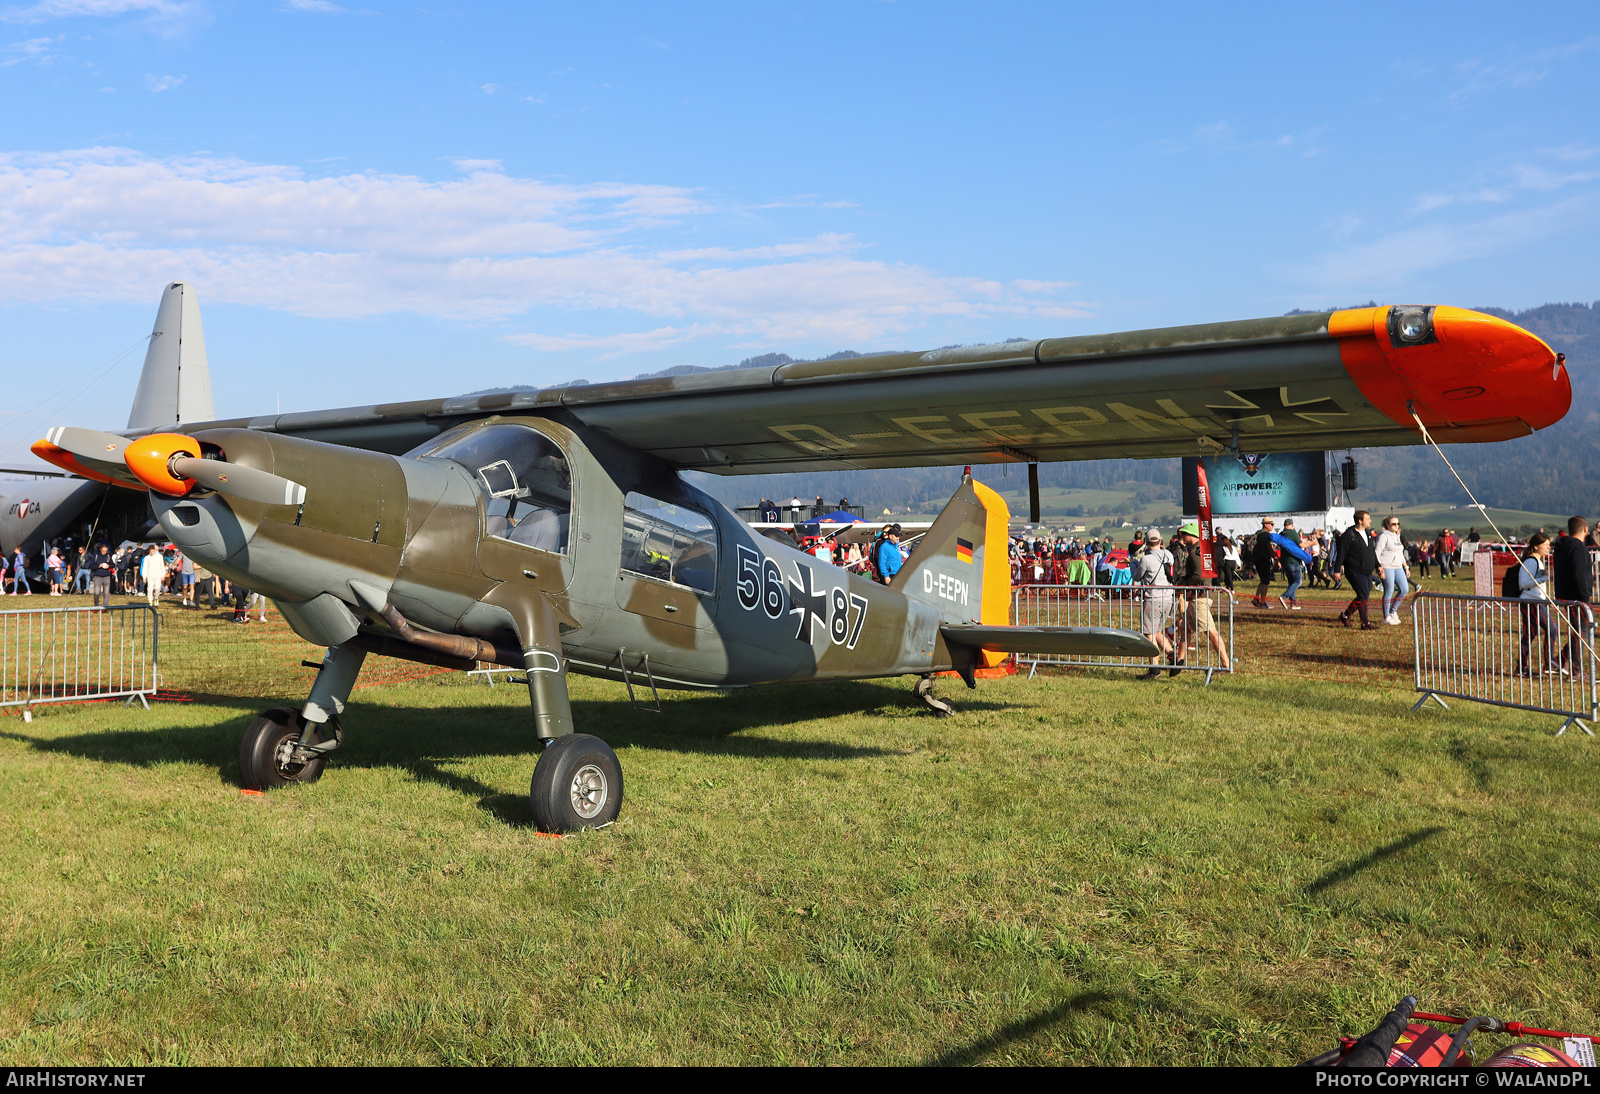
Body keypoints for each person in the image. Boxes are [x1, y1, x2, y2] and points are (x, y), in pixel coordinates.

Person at [1173, 521, 1230, 673]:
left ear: (1191, 535)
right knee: (1185, 628)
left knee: (1211, 632)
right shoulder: (1201, 550)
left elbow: (1198, 575)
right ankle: (1179, 661)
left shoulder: (1195, 552)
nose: (1182, 536)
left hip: (1199, 596)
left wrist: (1185, 584)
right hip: (1199, 595)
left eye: (1184, 534)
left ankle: (1226, 665)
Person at [1551, 516, 1594, 675]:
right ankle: (1576, 670)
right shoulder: (1578, 548)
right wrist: (1585, 596)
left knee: (1580, 630)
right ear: (1585, 530)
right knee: (1581, 631)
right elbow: (1579, 574)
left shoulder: (1562, 547)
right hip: (1577, 597)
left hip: (1565, 594)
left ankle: (1559, 660)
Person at [1513, 533, 1556, 676]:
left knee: (1530, 634)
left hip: (1536, 602)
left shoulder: (1537, 561)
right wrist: (1542, 578)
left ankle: (1522, 668)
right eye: (1546, 544)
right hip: (1530, 603)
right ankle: (1548, 664)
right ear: (1536, 546)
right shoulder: (1531, 562)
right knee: (1550, 629)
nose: (1549, 547)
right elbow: (1523, 584)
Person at [1135, 529, 1176, 679]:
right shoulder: (1169, 555)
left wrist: (1134, 564)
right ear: (1160, 541)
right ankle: (1172, 654)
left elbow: (1137, 576)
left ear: (1146, 543)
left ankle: (1154, 670)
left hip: (1153, 599)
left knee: (1149, 634)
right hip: (1168, 598)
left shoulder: (1146, 559)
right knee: (1158, 631)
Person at [1337, 511, 1379, 629]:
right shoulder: (1349, 534)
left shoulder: (1367, 533)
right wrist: (1337, 570)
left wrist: (1378, 566)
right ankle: (1365, 623)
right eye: (1368, 519)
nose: (1370, 521)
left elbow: (1371, 551)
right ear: (1360, 521)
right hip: (1354, 570)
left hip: (1367, 570)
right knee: (1363, 595)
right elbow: (1341, 553)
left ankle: (1345, 616)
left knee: (1363, 596)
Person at [1375, 516, 1412, 625]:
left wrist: (1406, 567)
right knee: (1389, 591)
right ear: (1387, 525)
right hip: (1387, 566)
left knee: (1404, 589)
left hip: (1398, 566)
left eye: (1398, 523)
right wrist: (1379, 567)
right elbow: (1377, 552)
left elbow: (1399, 553)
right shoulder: (1383, 536)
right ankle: (1386, 617)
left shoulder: (1396, 536)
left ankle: (1392, 611)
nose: (1396, 526)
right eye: (1393, 524)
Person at [1250, 517, 1278, 608]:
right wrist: (1276, 559)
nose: (1273, 526)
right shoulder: (1266, 536)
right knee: (1266, 582)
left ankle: (1256, 599)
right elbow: (1270, 549)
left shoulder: (1258, 534)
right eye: (1272, 524)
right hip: (1263, 560)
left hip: (1257, 559)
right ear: (1266, 525)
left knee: (1263, 581)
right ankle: (1263, 602)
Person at [90, 543, 115, 607]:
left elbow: (113, 565)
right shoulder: (96, 556)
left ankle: (105, 606)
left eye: (106, 551)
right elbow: (91, 566)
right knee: (97, 592)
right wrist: (99, 566)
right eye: (103, 551)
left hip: (106, 576)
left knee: (106, 593)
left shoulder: (108, 556)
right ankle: (96, 605)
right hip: (98, 576)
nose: (104, 552)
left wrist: (108, 566)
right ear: (100, 550)